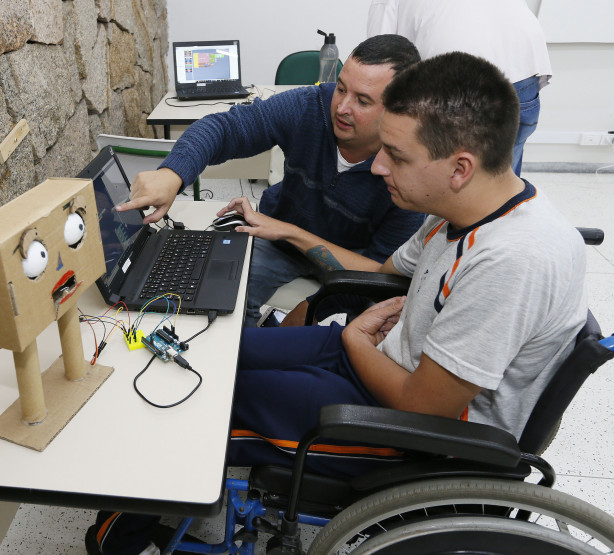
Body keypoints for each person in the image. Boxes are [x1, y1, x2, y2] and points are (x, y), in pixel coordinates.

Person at [88, 52, 588, 554]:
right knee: (210, 352)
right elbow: (385, 274)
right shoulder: (462, 208)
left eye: (396, 155)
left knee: (194, 398)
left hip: (410, 430)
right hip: (379, 357)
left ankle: (116, 543)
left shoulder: (513, 261)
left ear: (459, 167)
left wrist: (352, 336)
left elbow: (424, 407)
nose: (378, 166)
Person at [117, 35, 425, 327]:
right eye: (342, 88)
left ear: (399, 109)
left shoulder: (412, 174)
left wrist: (318, 303)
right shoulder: (310, 105)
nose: (342, 108)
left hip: (350, 262)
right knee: (225, 294)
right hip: (280, 242)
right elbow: (227, 128)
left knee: (337, 336)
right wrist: (172, 173)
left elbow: (383, 277)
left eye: (363, 101)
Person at [366, 0, 552, 176]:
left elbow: (379, 63)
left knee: (444, 179)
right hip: (524, 65)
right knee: (502, 175)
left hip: (461, 81)